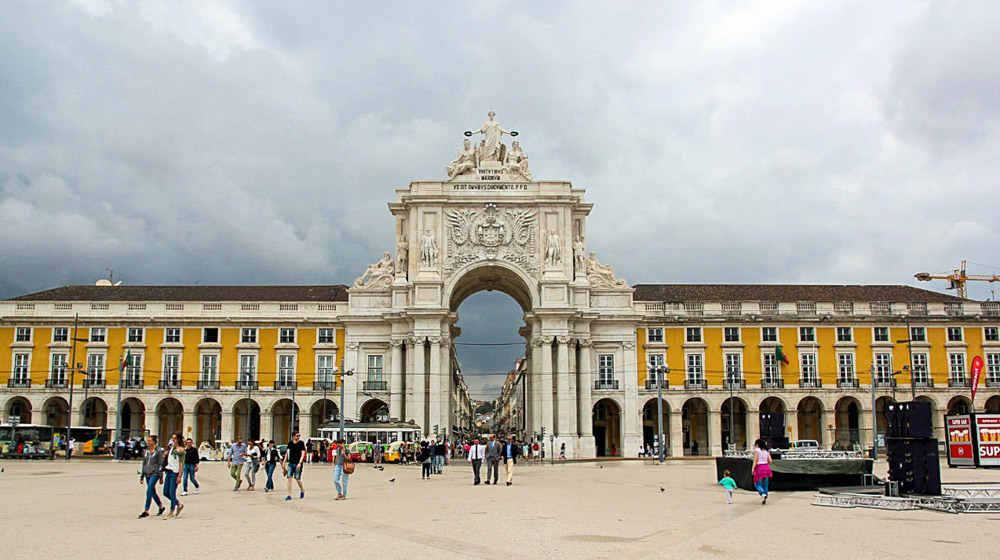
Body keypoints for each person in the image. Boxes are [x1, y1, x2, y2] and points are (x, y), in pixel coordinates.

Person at [138, 435, 166, 518]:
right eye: (148, 440)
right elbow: (144, 463)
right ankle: (161, 506)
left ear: (154, 442)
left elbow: (161, 464)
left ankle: (146, 510)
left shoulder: (158, 451)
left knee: (149, 490)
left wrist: (161, 477)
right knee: (153, 492)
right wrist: (142, 476)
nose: (148, 442)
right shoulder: (146, 451)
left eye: (150, 441)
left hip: (155, 473)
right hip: (147, 473)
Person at [162, 433, 185, 519]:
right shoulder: (171, 448)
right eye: (172, 438)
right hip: (169, 471)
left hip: (175, 472)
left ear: (178, 439)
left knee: (172, 492)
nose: (173, 439)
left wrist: (179, 475)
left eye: (175, 438)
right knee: (165, 492)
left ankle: (171, 512)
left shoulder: (181, 450)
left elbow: (181, 463)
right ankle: (178, 504)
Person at [284, 432, 306, 501]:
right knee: (289, 478)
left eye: (299, 435)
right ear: (293, 436)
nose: (298, 437)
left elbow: (303, 453)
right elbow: (287, 453)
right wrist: (284, 462)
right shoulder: (290, 443)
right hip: (291, 462)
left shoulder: (301, 443)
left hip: (298, 463)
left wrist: (300, 463)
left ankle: (302, 490)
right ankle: (289, 494)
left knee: (297, 478)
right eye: (297, 436)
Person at [752, 439, 773, 505]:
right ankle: (765, 494)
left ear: (757, 444)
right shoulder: (767, 451)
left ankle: (762, 493)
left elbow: (756, 460)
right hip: (766, 467)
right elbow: (770, 460)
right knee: (765, 484)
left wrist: (753, 468)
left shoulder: (757, 450)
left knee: (757, 483)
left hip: (759, 467)